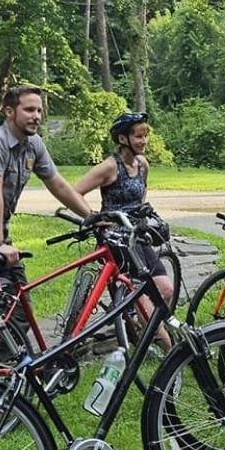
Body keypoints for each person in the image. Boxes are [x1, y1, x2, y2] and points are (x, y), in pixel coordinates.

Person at [0, 84, 96, 272]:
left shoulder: (33, 143)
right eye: (29, 110)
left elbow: (57, 184)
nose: (36, 116)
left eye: (39, 110)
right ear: (10, 112)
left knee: (16, 293)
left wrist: (92, 217)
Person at [74, 110, 176, 308]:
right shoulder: (110, 167)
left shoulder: (142, 164)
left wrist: (140, 210)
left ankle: (138, 326)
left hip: (137, 235)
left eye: (146, 135)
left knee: (166, 290)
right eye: (138, 136)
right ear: (123, 138)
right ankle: (145, 331)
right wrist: (94, 217)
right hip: (117, 240)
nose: (144, 140)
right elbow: (76, 191)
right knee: (140, 298)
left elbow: (143, 188)